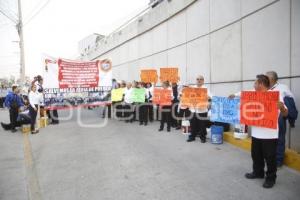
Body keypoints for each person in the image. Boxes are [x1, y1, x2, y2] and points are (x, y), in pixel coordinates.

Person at [244, 74, 288, 189]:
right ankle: (258, 172)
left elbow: (285, 113)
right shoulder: (253, 96)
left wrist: (282, 107)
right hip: (256, 133)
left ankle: (271, 178)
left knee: (270, 158)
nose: (254, 85)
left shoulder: (275, 96)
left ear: (261, 84)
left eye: (255, 83)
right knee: (256, 156)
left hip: (270, 135)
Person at [265, 71, 296, 168]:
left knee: (280, 137)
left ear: (273, 79)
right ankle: (269, 158)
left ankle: (278, 161)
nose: (265, 79)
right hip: (267, 116)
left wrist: (286, 112)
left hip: (279, 116)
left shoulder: (283, 88)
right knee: (269, 138)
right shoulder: (264, 88)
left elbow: (290, 100)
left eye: (267, 77)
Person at [187, 75, 211, 143]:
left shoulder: (206, 89)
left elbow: (211, 97)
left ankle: (202, 137)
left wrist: (208, 98)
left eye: (200, 79)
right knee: (192, 124)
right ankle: (192, 136)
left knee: (202, 125)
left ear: (203, 81)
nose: (199, 80)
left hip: (202, 110)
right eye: (197, 79)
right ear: (196, 80)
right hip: (193, 110)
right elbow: (187, 96)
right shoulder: (192, 88)